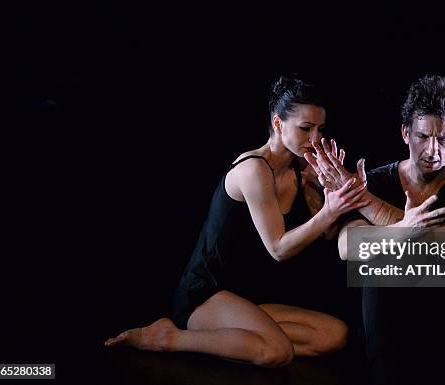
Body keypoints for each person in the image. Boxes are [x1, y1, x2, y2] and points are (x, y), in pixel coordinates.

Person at [104, 76, 370, 367]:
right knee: (277, 351)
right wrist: (330, 211)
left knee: (334, 335)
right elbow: (279, 249)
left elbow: (326, 234)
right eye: (306, 128)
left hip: (247, 296)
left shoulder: (301, 171)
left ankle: (244, 336)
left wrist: (332, 195)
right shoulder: (254, 169)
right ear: (278, 124)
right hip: (206, 295)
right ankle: (168, 337)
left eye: (320, 129)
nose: (315, 138)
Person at [306, 74, 445, 383]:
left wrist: (364, 201)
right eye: (423, 136)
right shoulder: (376, 181)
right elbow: (347, 247)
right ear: (406, 134)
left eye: (443, 138)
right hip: (388, 332)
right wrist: (406, 227)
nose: (433, 150)